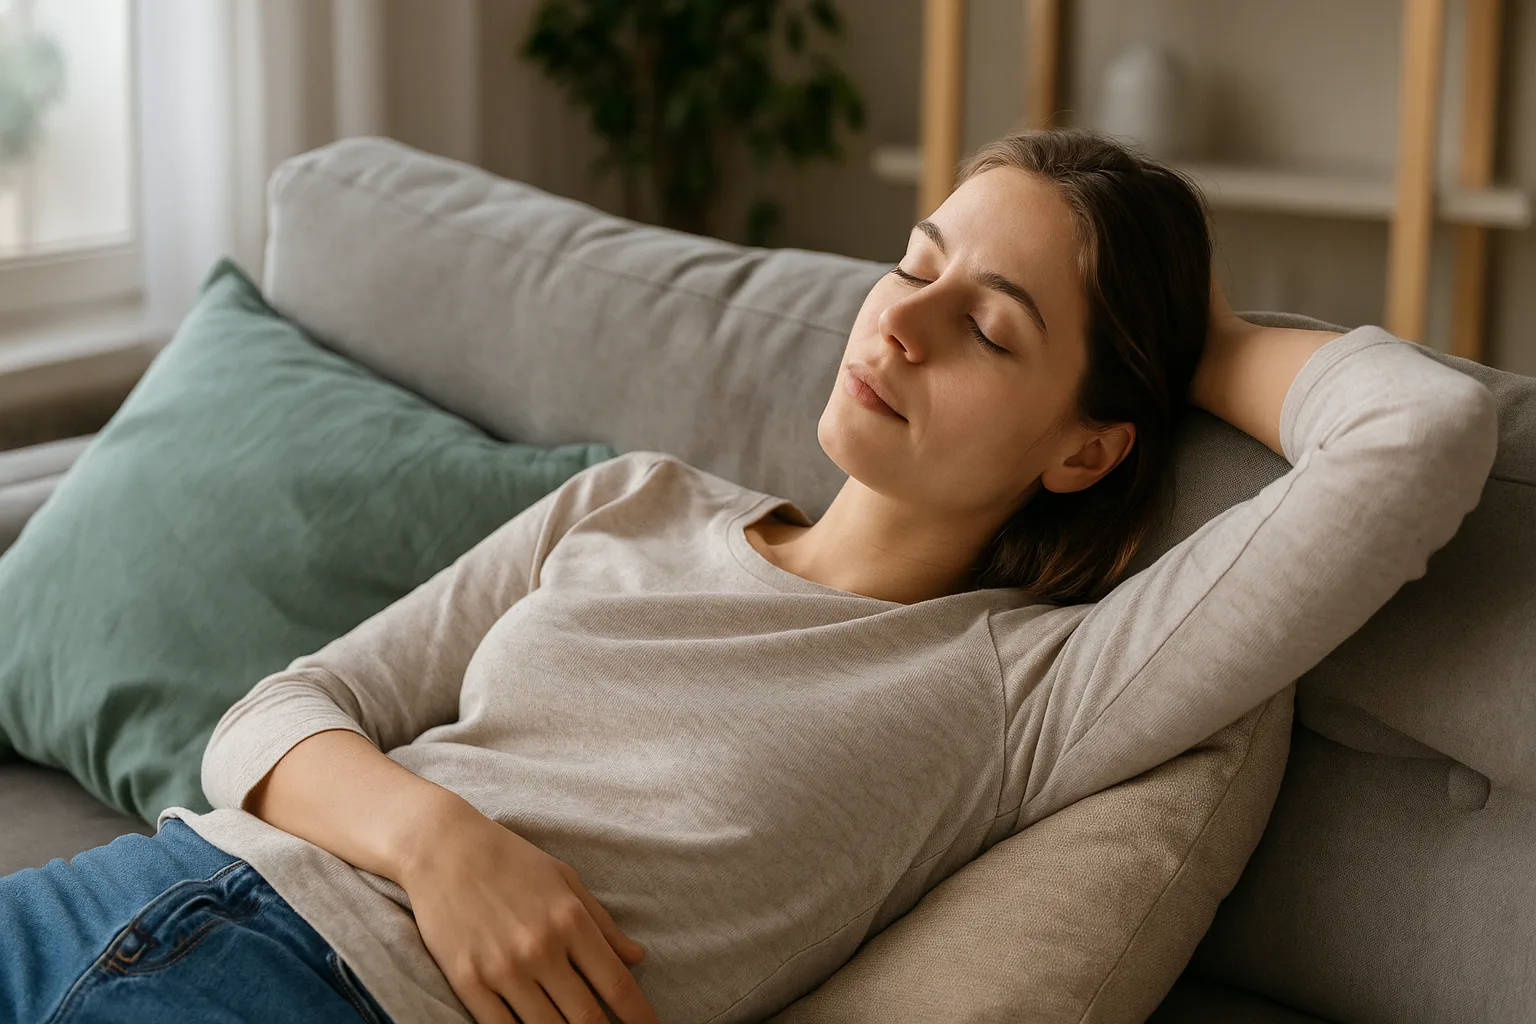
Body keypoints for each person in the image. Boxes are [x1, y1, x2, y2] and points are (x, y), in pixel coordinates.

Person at [0, 127, 1498, 1024]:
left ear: (1089, 449)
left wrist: (1195, 340)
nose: (901, 325)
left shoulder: (1027, 690)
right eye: (915, 263)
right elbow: (273, 714)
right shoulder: (634, 501)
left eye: (993, 327)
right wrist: (444, 844)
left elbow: (1420, 435)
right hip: (128, 890)